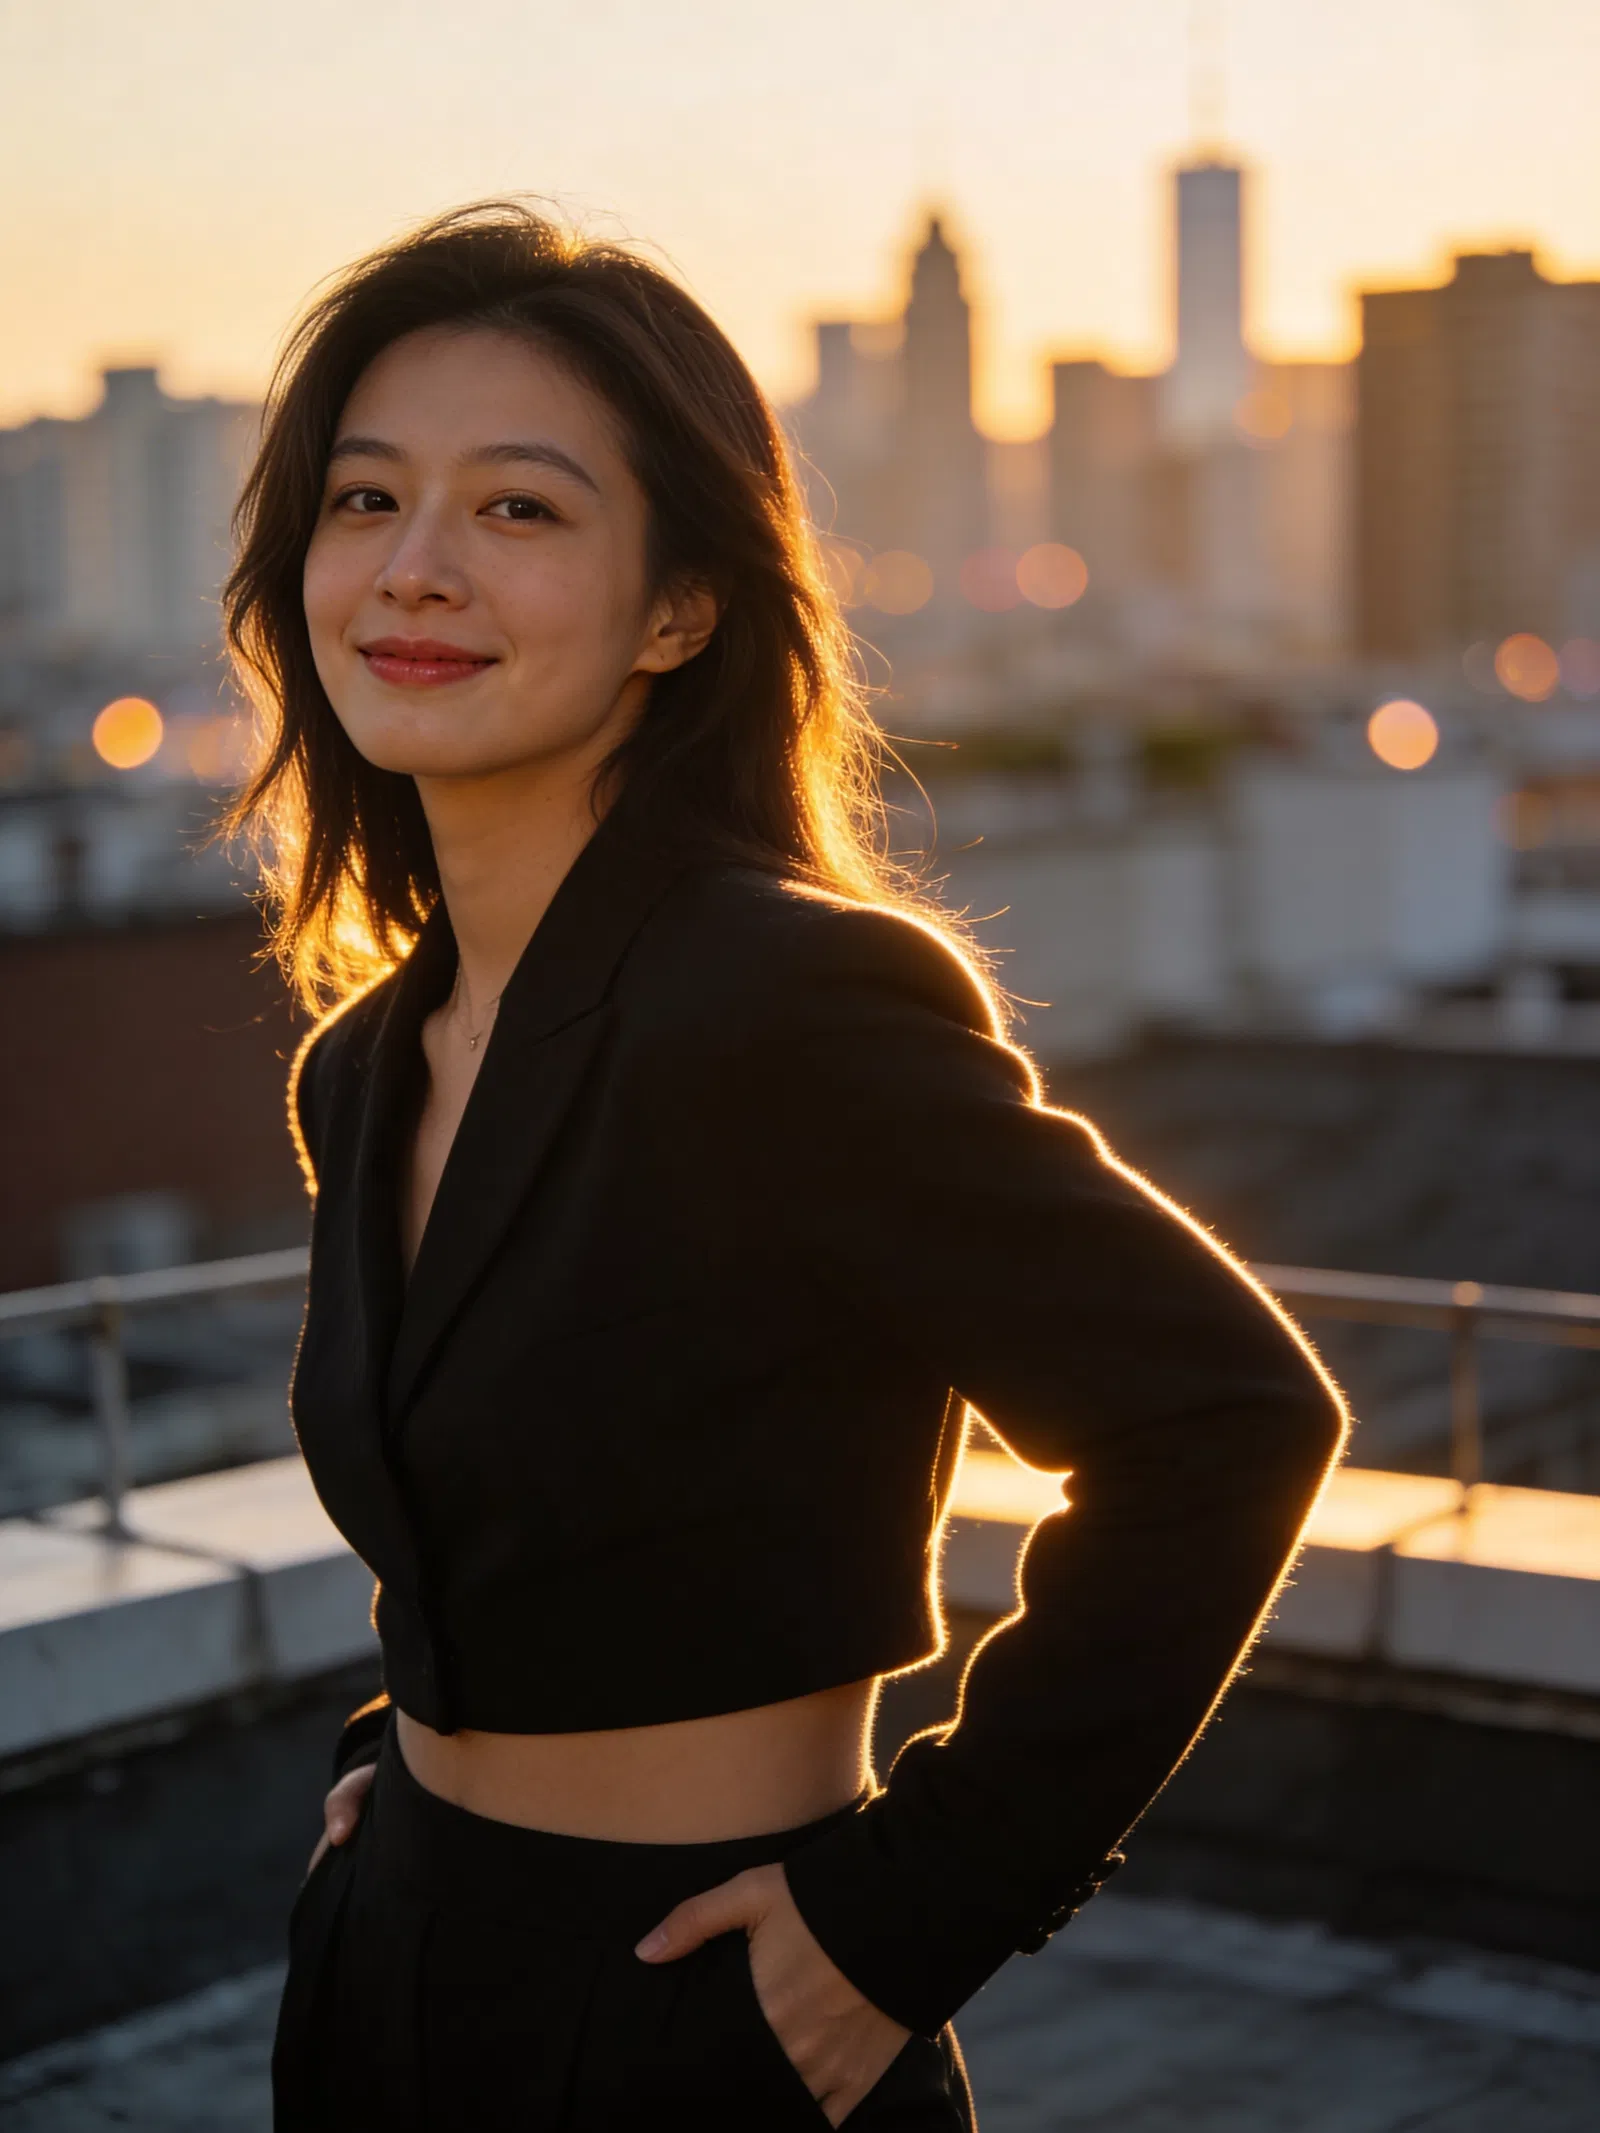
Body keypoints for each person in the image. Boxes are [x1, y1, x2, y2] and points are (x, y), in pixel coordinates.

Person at [229, 202, 1347, 2130]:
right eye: (363, 500)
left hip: (705, 2003)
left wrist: (910, 1918)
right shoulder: (369, 1064)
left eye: (519, 510)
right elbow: (498, 1508)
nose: (414, 570)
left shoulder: (787, 999)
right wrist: (402, 1767)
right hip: (386, 1948)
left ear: (683, 607)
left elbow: (1227, 1421)